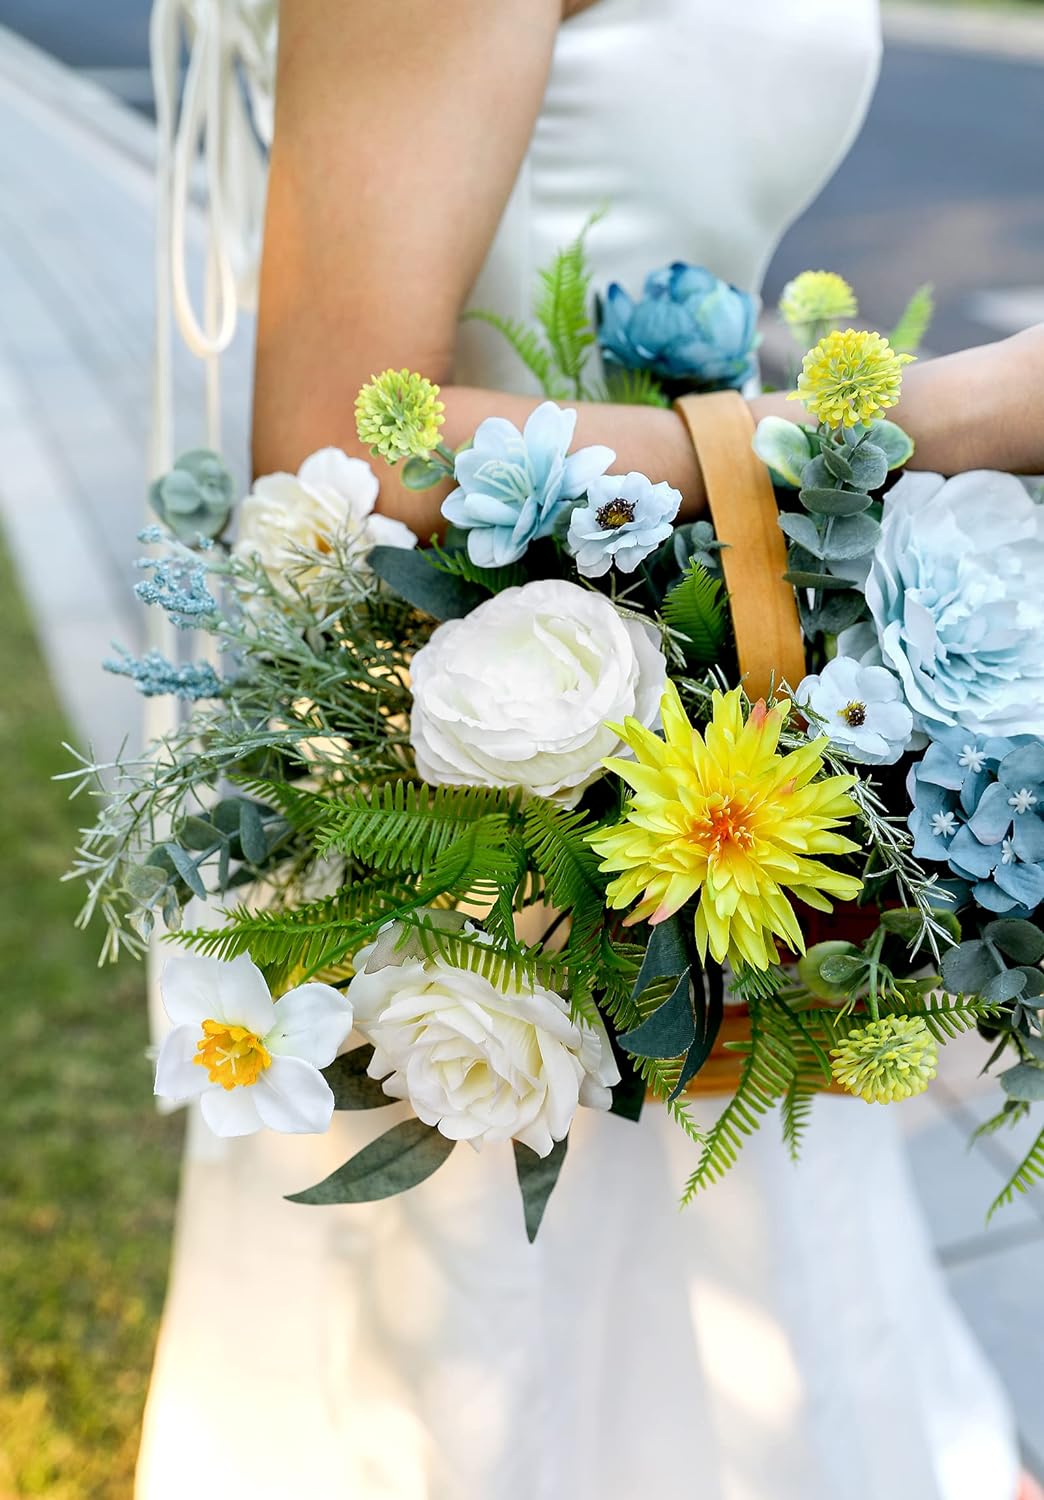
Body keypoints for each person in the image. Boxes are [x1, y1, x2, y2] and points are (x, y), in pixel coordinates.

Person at [137, 2, 1043, 1496]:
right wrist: (927, 420)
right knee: (527, 1364)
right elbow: (342, 440)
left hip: (713, 715)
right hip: (502, 775)